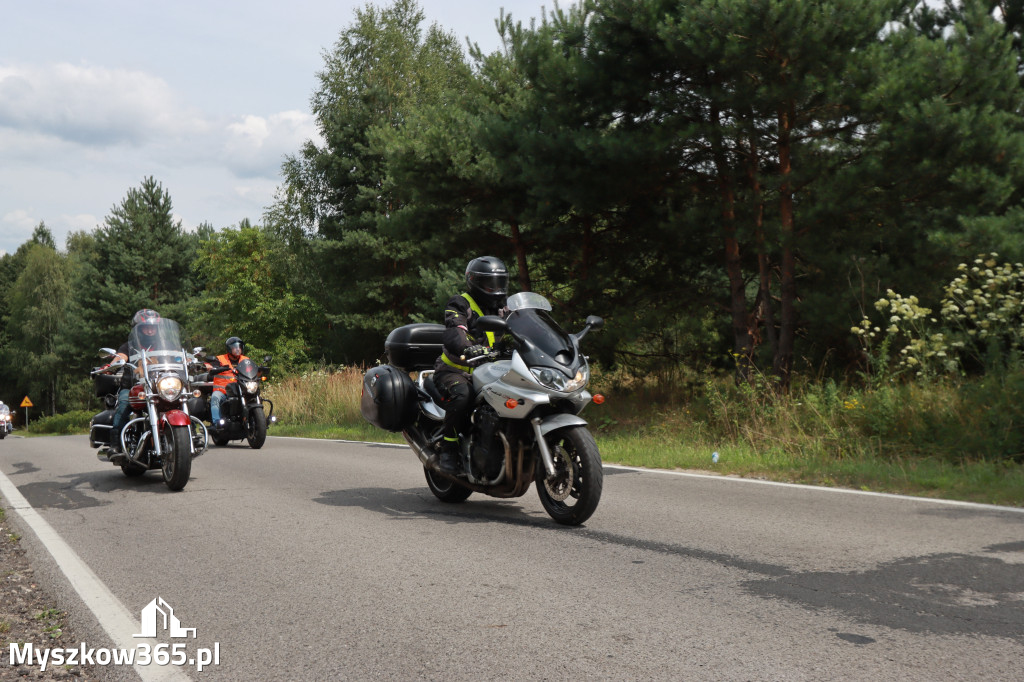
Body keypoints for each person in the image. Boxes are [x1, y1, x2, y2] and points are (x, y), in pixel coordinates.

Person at [432, 256, 510, 475]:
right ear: (474, 282)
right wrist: (467, 347)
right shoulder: (460, 303)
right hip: (456, 370)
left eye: (500, 283)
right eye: (490, 283)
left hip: (493, 371)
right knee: (462, 396)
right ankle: (449, 448)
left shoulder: (505, 306)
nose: (496, 289)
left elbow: (528, 323)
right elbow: (454, 330)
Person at [102, 309, 161, 455]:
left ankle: (189, 434)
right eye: (146, 327)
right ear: (138, 329)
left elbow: (177, 354)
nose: (149, 330)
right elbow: (121, 356)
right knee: (123, 406)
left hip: (159, 386)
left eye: (152, 327)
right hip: (133, 386)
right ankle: (116, 445)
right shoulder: (129, 345)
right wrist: (111, 366)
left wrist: (190, 360)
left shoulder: (164, 344)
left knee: (180, 399)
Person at [209, 336, 249, 428]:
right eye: (235, 347)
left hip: (241, 389)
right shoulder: (220, 359)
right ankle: (217, 423)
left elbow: (251, 369)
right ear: (229, 348)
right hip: (223, 391)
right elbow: (210, 365)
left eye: (239, 347)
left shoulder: (245, 359)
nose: (238, 349)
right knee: (215, 398)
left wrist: (260, 369)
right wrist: (210, 367)